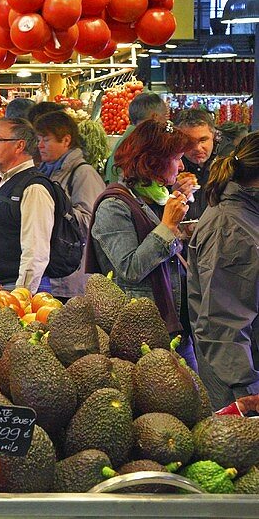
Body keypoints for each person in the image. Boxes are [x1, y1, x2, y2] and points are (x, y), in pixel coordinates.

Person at [85, 120, 197, 367]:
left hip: (177, 325)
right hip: (143, 331)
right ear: (152, 162)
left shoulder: (153, 199)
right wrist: (167, 226)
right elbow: (130, 268)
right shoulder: (114, 206)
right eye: (176, 158)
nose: (181, 165)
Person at [188, 132, 259, 410]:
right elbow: (222, 323)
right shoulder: (230, 228)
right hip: (243, 383)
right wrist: (247, 390)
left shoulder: (247, 213)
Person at [0, 118, 54, 292]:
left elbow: (35, 252)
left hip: (11, 291)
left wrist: (21, 297)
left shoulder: (34, 188)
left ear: (19, 146)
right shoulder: (8, 181)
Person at [34, 110, 106, 298]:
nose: (40, 145)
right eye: (38, 139)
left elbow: (93, 222)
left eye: (46, 139)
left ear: (66, 141)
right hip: (52, 274)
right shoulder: (46, 171)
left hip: (72, 279)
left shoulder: (83, 174)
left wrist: (56, 211)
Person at [104, 91, 168, 183]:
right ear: (155, 117)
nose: (166, 122)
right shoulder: (142, 141)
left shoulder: (128, 137)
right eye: (165, 116)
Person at [175, 108, 218, 222]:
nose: (197, 148)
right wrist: (171, 196)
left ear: (213, 135)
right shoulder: (167, 169)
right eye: (189, 142)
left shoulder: (226, 165)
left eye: (203, 140)